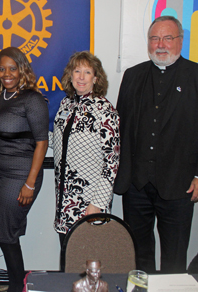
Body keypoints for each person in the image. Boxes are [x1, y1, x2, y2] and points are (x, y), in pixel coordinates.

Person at [115, 15, 198, 273]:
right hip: (136, 186)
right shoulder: (132, 76)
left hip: (180, 184)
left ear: (180, 41)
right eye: (155, 38)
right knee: (139, 256)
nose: (160, 44)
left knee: (174, 257)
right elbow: (121, 127)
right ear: (148, 42)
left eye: (167, 38)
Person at [0, 47, 49, 292]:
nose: (7, 73)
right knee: (4, 233)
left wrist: (30, 183)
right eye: (2, 69)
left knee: (7, 234)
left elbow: (42, 142)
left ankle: (17, 286)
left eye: (12, 68)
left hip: (22, 174)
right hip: (0, 174)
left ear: (22, 69)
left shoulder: (32, 99)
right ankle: (18, 283)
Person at [52, 51, 120, 270]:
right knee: (67, 260)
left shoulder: (105, 110)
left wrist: (98, 204)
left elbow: (112, 161)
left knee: (89, 265)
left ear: (96, 78)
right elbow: (58, 141)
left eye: (87, 72)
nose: (81, 77)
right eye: (77, 71)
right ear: (70, 76)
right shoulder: (65, 104)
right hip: (64, 201)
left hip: (90, 202)